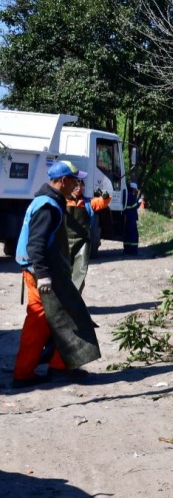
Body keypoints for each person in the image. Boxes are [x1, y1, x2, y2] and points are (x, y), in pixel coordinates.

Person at [13, 161, 101, 388]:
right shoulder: (48, 207)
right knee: (62, 317)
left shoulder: (45, 201)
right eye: (73, 179)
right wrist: (43, 275)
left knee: (47, 321)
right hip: (40, 273)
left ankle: (47, 368)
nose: (76, 183)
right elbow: (36, 245)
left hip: (37, 271)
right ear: (63, 180)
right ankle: (35, 372)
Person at [66, 179, 112, 292]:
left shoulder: (88, 202)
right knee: (63, 273)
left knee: (79, 274)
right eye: (76, 185)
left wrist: (105, 197)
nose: (78, 187)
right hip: (64, 242)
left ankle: (75, 301)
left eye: (81, 185)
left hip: (82, 244)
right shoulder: (63, 201)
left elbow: (103, 202)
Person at [123, 182, 141, 255]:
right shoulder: (131, 196)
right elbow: (135, 206)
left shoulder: (125, 194)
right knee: (134, 234)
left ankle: (127, 249)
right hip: (131, 216)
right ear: (133, 189)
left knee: (127, 233)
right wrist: (139, 202)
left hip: (126, 216)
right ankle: (134, 250)